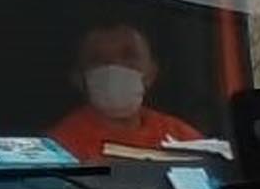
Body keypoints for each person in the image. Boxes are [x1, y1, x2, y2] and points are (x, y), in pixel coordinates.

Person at [48, 22, 204, 158]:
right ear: (78, 78)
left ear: (151, 73)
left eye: (129, 55)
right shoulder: (59, 146)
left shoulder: (182, 138)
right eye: (97, 59)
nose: (114, 65)